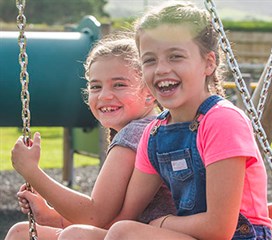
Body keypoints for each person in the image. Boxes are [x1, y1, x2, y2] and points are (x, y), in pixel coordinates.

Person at [101, 2, 272, 239]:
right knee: (77, 235)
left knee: (124, 233)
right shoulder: (155, 134)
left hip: (238, 235)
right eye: (149, 60)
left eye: (175, 57)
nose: (161, 69)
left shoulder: (222, 120)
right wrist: (55, 221)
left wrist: (161, 224)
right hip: (188, 234)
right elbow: (125, 215)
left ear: (209, 63)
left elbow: (219, 228)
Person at [5, 33, 175, 240]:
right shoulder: (148, 127)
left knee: (75, 235)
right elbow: (110, 218)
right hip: (132, 230)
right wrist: (51, 216)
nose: (104, 95)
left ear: (149, 92)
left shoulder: (135, 134)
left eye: (119, 85)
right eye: (95, 86)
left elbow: (94, 215)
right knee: (22, 233)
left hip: (153, 234)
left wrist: (32, 171)